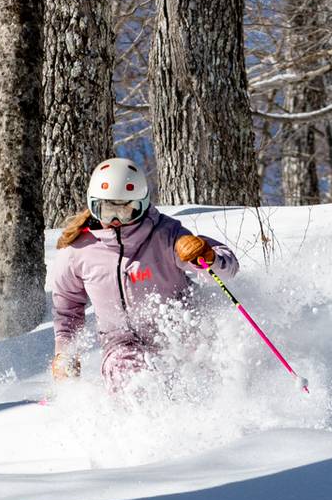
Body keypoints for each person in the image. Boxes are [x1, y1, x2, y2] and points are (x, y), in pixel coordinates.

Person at [49, 157, 240, 391]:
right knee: (129, 380)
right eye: (107, 210)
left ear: (142, 203)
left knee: (202, 382)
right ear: (93, 205)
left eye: (126, 209)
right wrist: (65, 352)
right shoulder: (77, 251)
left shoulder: (165, 235)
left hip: (183, 333)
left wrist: (207, 257)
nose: (117, 220)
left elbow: (228, 269)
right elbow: (67, 307)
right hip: (120, 344)